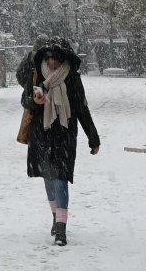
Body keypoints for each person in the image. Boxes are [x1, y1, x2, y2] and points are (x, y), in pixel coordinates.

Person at [21, 38, 100, 246]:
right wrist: (34, 102)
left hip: (64, 133)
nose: (52, 62)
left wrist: (93, 138)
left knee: (60, 179)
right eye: (49, 58)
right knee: (48, 179)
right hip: (41, 134)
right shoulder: (37, 74)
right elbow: (25, 100)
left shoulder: (71, 78)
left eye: (56, 58)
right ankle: (56, 218)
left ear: (63, 59)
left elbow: (82, 108)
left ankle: (61, 230)